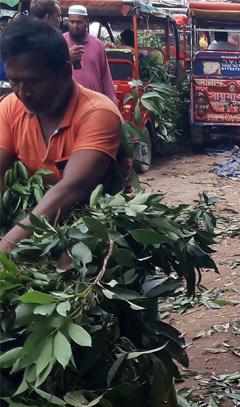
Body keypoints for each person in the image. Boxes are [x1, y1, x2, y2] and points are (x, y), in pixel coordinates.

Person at [0, 17, 125, 254]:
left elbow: (71, 190)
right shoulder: (9, 108)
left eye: (34, 81)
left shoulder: (98, 113)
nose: (22, 92)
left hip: (97, 238)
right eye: (14, 81)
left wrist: (5, 248)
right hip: (32, 232)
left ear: (66, 72)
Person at [64, 5, 116, 103]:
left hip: (94, 103)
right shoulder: (60, 42)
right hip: (67, 103)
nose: (75, 26)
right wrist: (66, 58)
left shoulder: (97, 45)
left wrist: (112, 103)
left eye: (79, 22)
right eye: (72, 22)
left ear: (87, 22)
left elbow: (106, 77)